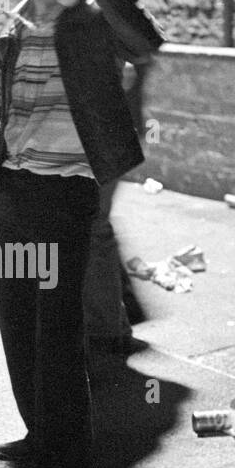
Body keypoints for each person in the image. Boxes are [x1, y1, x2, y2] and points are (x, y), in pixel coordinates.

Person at [0, 0, 165, 468]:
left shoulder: (92, 20)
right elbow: (5, 108)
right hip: (17, 195)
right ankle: (40, 440)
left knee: (55, 337)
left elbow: (147, 41)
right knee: (17, 323)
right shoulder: (14, 27)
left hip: (67, 194)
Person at [82, 57, 150, 353]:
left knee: (93, 227)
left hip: (103, 134)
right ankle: (112, 326)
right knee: (95, 226)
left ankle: (107, 331)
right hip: (112, 131)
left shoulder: (93, 20)